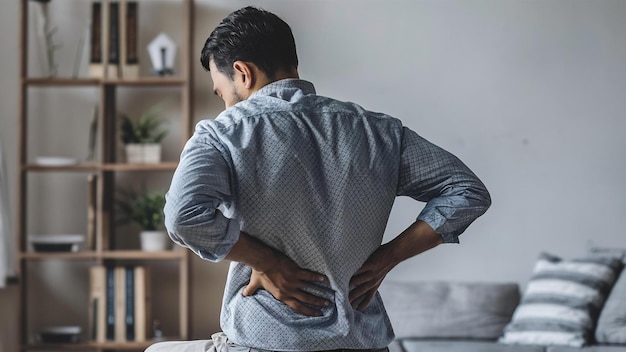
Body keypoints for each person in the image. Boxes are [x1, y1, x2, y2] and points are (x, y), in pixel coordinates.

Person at [147, 6, 491, 352]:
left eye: (221, 93)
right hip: (362, 343)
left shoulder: (223, 133)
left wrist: (267, 261)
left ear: (242, 73)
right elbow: (467, 191)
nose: (225, 106)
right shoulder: (378, 131)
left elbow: (183, 217)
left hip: (265, 341)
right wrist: (387, 258)